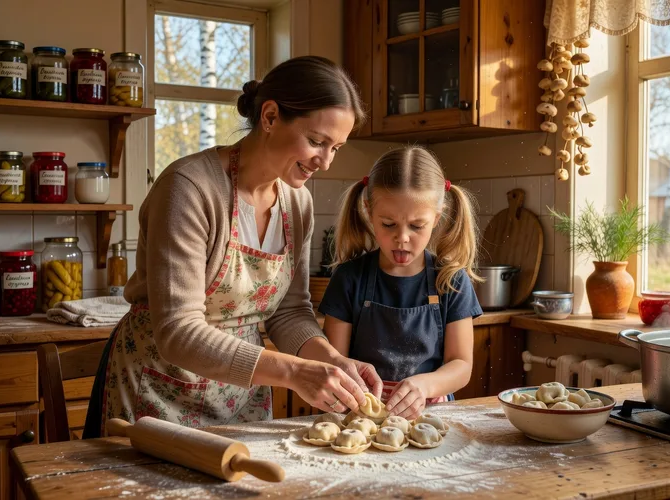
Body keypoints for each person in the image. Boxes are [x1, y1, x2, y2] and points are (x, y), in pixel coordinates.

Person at [84, 56, 383, 437]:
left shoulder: (297, 204)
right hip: (159, 389)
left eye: (336, 147)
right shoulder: (189, 188)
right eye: (316, 142)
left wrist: (334, 361)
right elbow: (178, 331)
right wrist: (293, 372)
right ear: (270, 117)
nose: (324, 162)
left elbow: (289, 312)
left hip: (243, 396)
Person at [318, 146, 483, 420]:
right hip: (360, 416)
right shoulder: (349, 279)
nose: (402, 238)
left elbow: (461, 365)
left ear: (436, 219)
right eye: (388, 224)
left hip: (433, 416)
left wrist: (424, 385)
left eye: (417, 226)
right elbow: (335, 364)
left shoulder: (451, 280)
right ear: (369, 213)